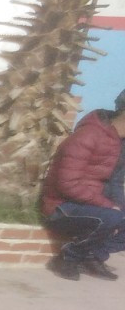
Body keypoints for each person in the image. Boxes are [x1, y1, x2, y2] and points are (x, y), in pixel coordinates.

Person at [41, 90, 125, 280]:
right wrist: (108, 206)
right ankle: (67, 258)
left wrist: (120, 206)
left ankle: (92, 257)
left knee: (117, 215)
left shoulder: (121, 144)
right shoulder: (89, 135)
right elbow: (67, 183)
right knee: (111, 217)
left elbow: (116, 182)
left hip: (92, 204)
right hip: (62, 206)